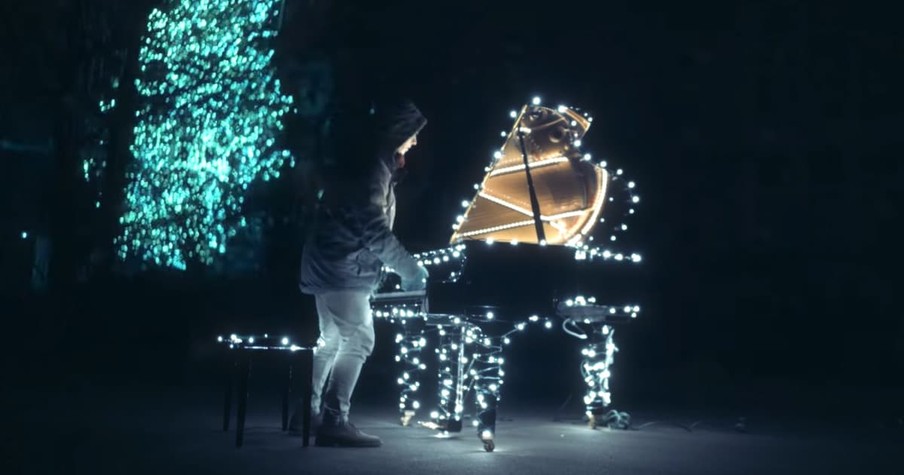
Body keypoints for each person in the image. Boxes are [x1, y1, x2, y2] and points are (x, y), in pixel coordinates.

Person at [289, 98, 429, 447]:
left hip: (329, 264)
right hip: (342, 269)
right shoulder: (374, 167)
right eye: (413, 134)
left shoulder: (366, 163)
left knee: (333, 339)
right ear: (398, 131)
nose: (416, 142)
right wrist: (410, 268)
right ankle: (335, 421)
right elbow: (372, 228)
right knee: (360, 339)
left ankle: (307, 414)